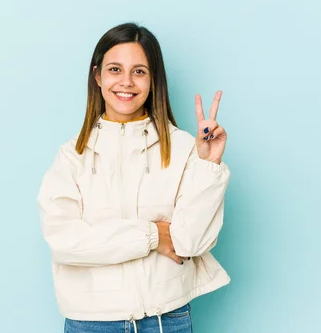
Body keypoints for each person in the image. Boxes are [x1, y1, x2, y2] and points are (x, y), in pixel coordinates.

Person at [36, 22, 231, 333]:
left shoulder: (184, 148)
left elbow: (190, 243)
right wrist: (152, 235)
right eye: (115, 69)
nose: (126, 82)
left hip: (167, 320)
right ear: (97, 76)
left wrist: (209, 166)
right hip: (91, 323)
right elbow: (64, 242)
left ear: (153, 80)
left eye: (139, 71)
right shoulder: (72, 156)